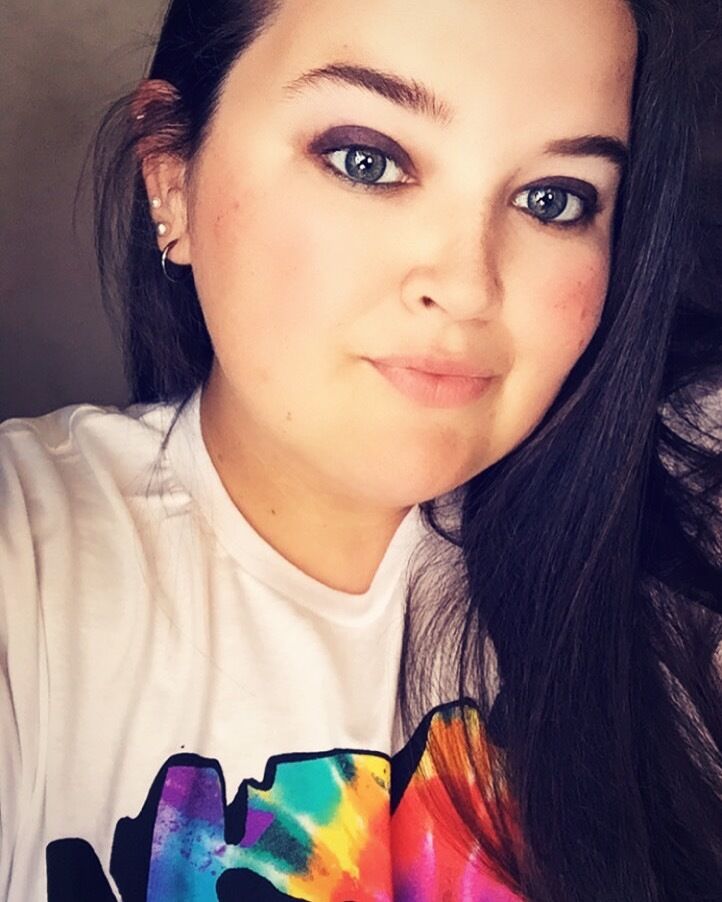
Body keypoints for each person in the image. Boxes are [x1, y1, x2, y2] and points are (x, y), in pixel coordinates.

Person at [1, 0, 721, 899]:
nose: (467, 286)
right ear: (171, 176)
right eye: (366, 160)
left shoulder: (683, 553)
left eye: (553, 199)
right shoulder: (31, 560)